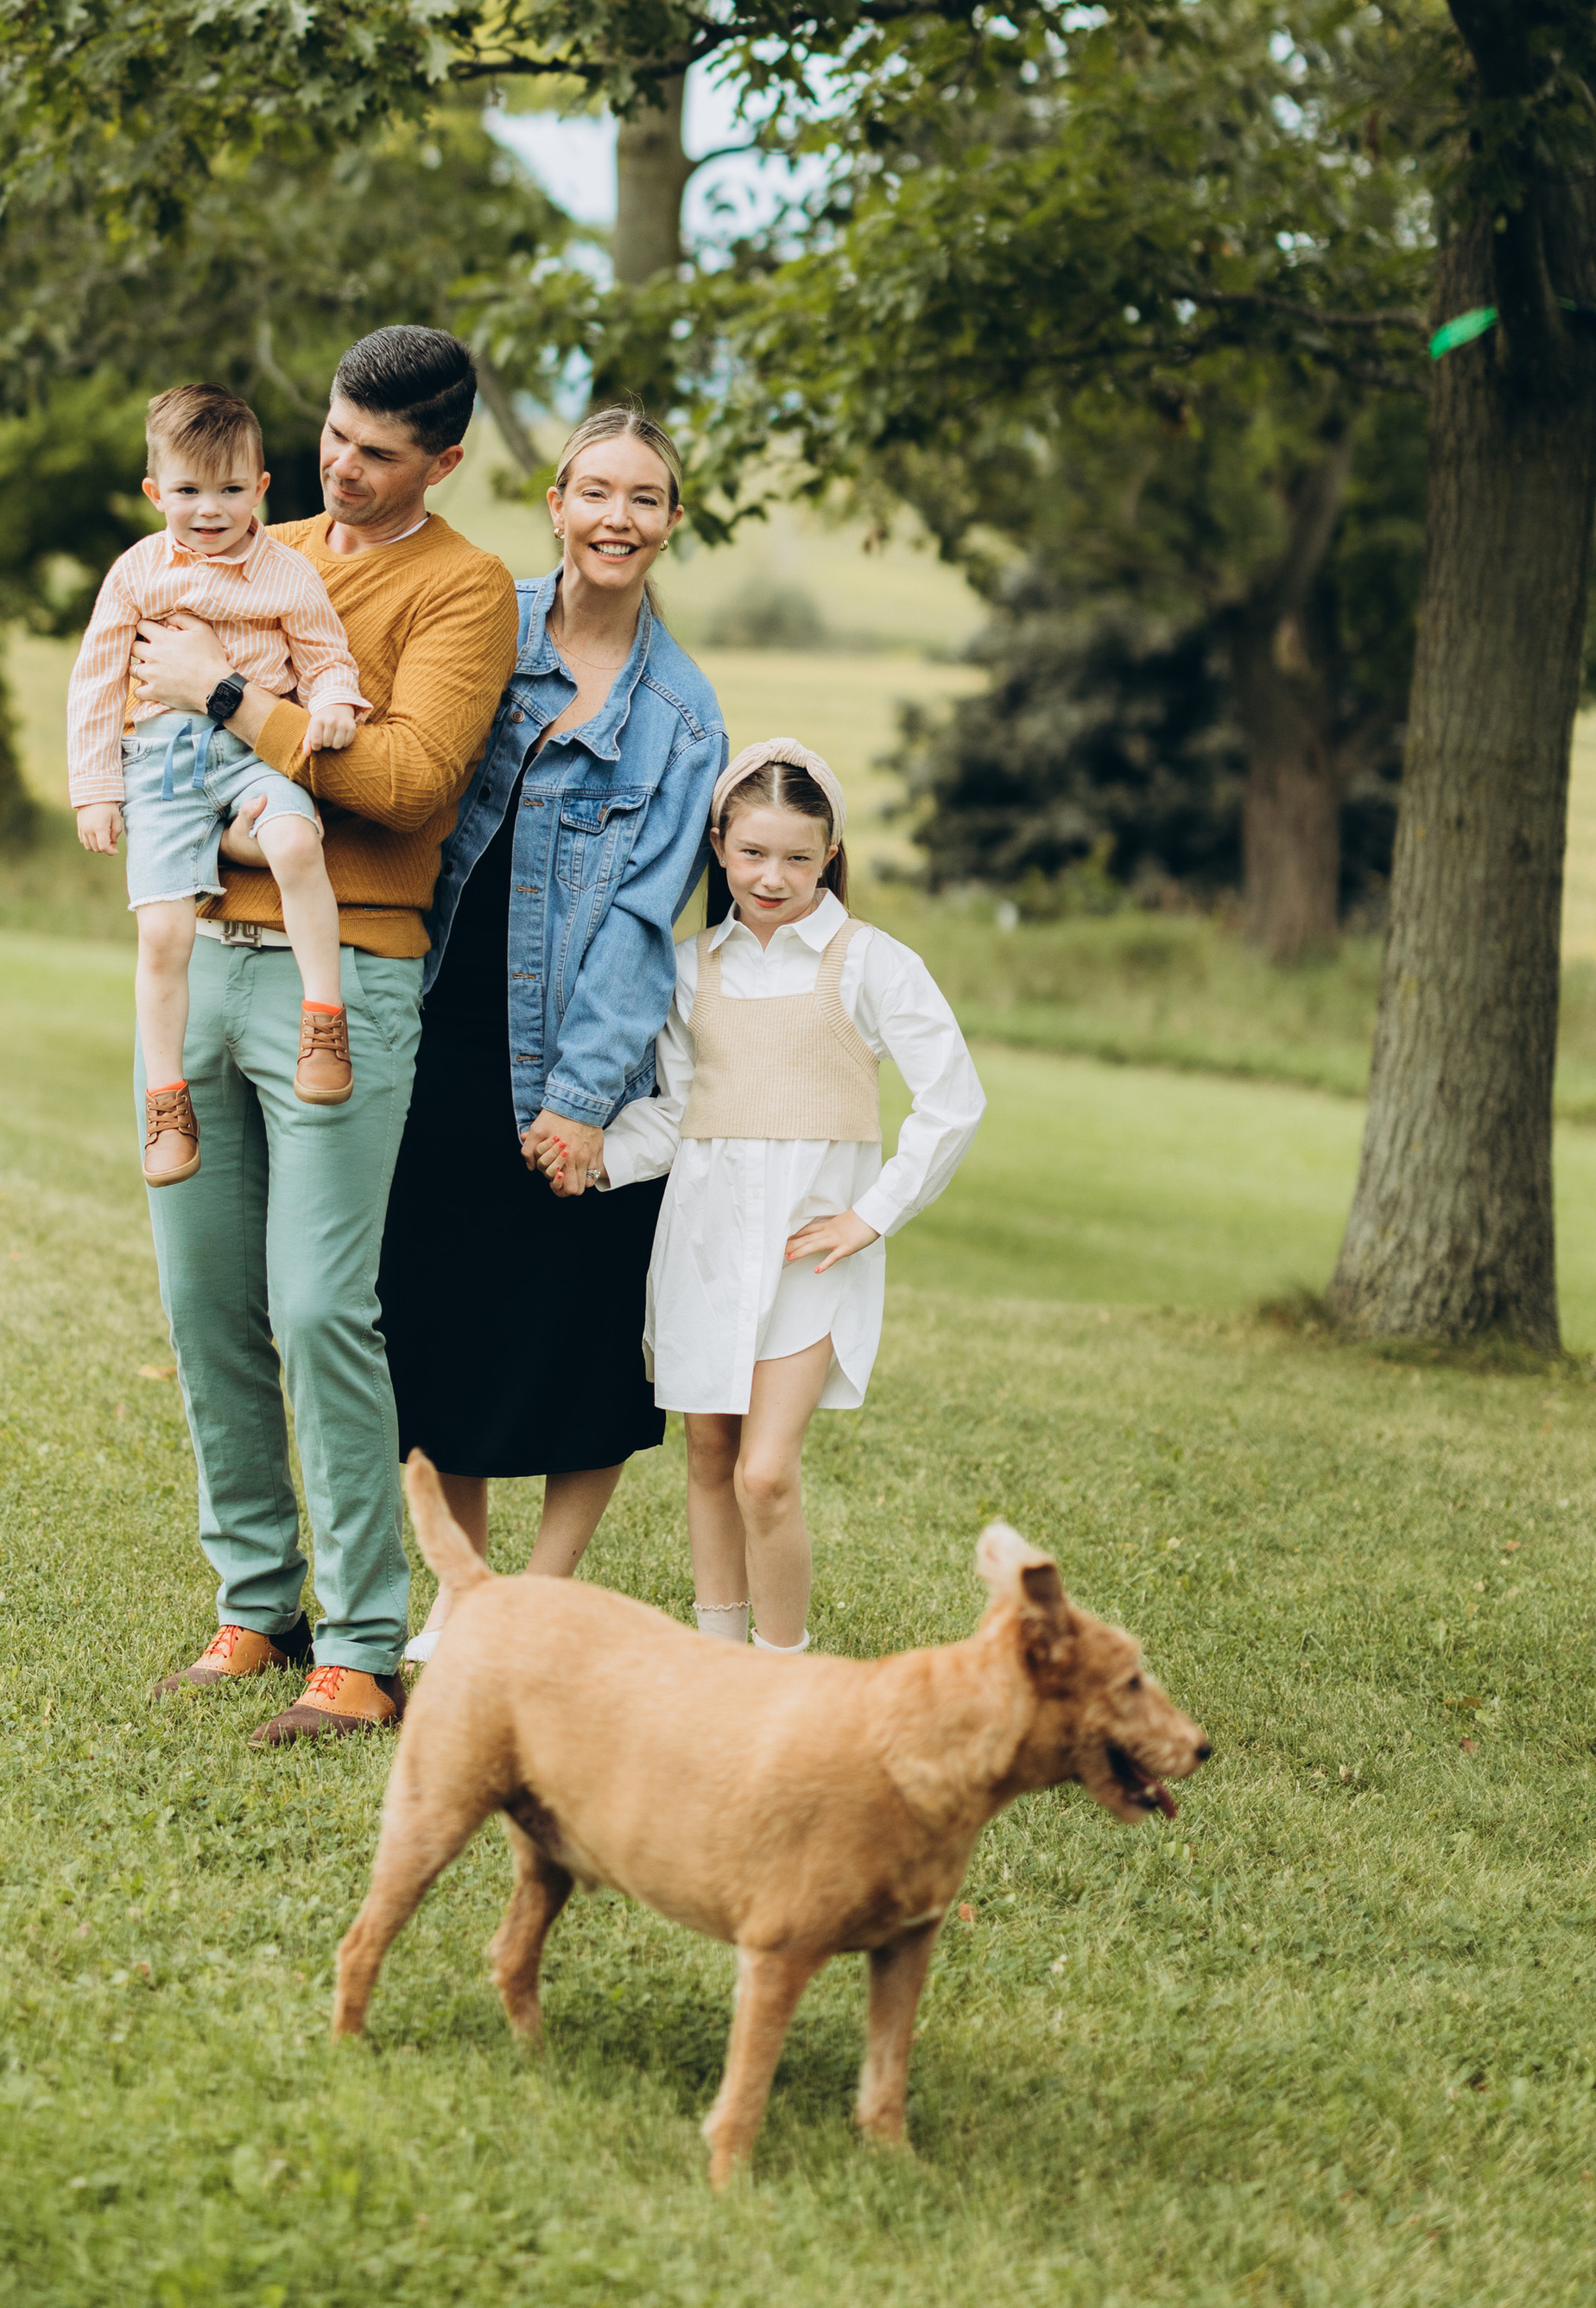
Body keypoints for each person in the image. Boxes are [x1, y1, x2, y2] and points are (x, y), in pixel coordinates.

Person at [121, 328, 516, 1747]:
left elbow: (410, 783)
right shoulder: (247, 540)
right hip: (194, 955)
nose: (343, 472)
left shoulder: (466, 590)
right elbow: (131, 680)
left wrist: (229, 703)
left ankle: (359, 1646)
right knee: (203, 1301)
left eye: (380, 454)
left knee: (317, 1309)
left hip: (346, 968)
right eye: (336, 439)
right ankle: (256, 1604)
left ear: (446, 460)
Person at [379, 407, 725, 1658]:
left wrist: (581, 1098)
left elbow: (642, 925)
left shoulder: (683, 722)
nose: (616, 519)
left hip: (578, 1058)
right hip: (431, 1020)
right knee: (431, 1313)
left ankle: (541, 1598)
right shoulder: (481, 623)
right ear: (557, 503)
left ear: (671, 524)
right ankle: (463, 1593)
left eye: (645, 499)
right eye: (596, 492)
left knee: (579, 1336)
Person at [597, 739, 986, 1654]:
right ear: (720, 846)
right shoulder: (692, 969)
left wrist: (870, 1213)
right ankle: (718, 1663)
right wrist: (594, 1158)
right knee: (708, 1455)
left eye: (799, 858)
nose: (773, 877)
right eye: (753, 853)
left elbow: (952, 1100)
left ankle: (781, 1670)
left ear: (830, 855)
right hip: (703, 1242)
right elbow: (677, 1112)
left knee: (764, 1474)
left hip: (809, 1256)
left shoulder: (869, 963)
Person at [67, 385, 371, 1183]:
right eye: (189, 492)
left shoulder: (289, 575)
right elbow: (98, 680)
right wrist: (95, 788)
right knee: (163, 935)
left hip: (251, 760)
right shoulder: (138, 573)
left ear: (263, 488)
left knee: (298, 841)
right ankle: (167, 1101)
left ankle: (323, 1017)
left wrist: (336, 702)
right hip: (163, 767)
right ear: (155, 492)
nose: (211, 509)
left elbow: (326, 656)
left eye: (232, 490)